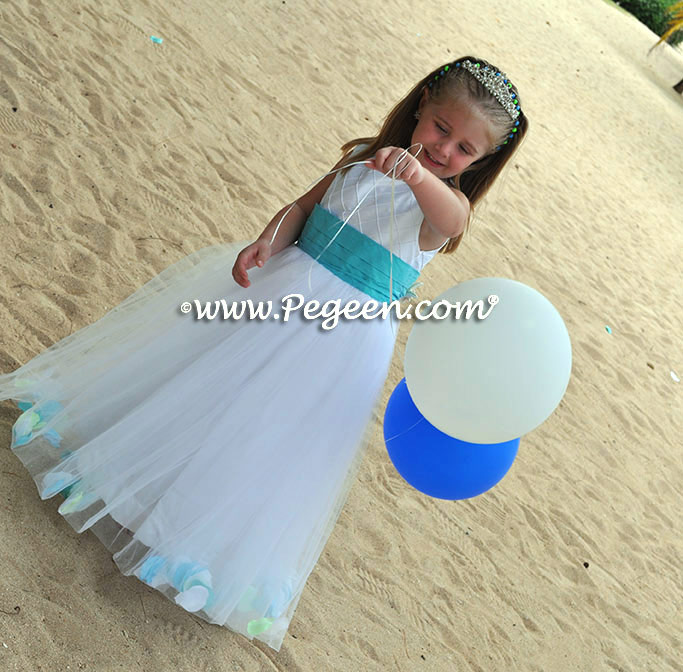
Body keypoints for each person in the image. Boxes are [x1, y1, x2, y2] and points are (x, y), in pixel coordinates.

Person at [0, 56, 527, 651]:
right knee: (209, 379)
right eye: (439, 128)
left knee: (268, 429)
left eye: (463, 150)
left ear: (478, 163)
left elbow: (451, 214)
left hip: (341, 334)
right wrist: (266, 242)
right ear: (422, 104)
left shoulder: (439, 215)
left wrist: (418, 175)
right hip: (279, 291)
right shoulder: (360, 162)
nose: (444, 149)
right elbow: (301, 209)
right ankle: (136, 471)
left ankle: (195, 538)